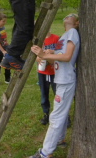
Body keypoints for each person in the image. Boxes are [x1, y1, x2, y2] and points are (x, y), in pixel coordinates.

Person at [28, 13, 80, 158]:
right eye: (67, 14)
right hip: (61, 78)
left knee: (56, 116)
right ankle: (60, 139)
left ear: (76, 23)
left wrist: (46, 55)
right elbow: (57, 59)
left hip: (66, 80)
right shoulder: (64, 35)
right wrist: (48, 54)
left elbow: (67, 57)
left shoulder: (73, 32)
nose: (68, 15)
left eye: (72, 15)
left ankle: (45, 153)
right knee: (60, 113)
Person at [36, 29, 59, 125]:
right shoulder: (38, 41)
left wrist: (52, 51)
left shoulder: (56, 38)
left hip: (54, 72)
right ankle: (46, 114)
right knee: (44, 94)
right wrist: (39, 58)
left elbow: (61, 52)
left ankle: (62, 115)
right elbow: (36, 56)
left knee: (57, 94)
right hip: (42, 72)